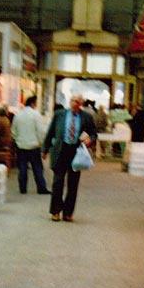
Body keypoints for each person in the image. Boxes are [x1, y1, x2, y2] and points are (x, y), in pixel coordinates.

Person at [42, 93, 97, 222]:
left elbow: (93, 133)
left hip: (76, 152)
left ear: (81, 104)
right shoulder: (59, 114)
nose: (74, 103)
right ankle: (55, 211)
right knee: (57, 182)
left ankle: (68, 213)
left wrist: (90, 140)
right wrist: (45, 149)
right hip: (61, 150)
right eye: (72, 100)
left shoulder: (86, 117)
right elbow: (50, 132)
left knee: (73, 184)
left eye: (77, 101)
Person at [11, 95, 50, 195]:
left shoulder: (18, 115)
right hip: (34, 146)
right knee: (37, 168)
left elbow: (13, 131)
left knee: (22, 168)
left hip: (21, 146)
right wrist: (41, 144)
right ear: (33, 103)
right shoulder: (36, 115)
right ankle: (41, 188)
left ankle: (23, 188)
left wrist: (18, 141)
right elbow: (41, 131)